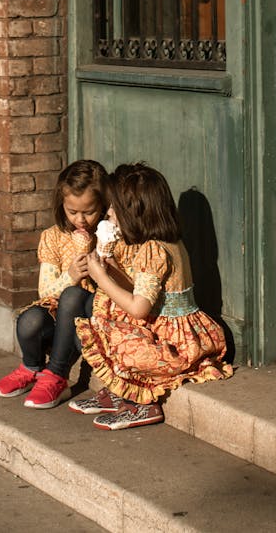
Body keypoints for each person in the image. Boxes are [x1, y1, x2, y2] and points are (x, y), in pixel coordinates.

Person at [70, 162, 233, 430]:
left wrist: (100, 278)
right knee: (111, 308)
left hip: (176, 341)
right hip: (179, 328)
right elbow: (144, 289)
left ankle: (141, 405)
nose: (108, 213)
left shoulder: (153, 250)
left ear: (134, 212)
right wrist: (110, 267)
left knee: (114, 328)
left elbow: (139, 308)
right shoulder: (168, 242)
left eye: (114, 209)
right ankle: (122, 392)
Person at [0, 159, 108, 409]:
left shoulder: (109, 236)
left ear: (103, 204)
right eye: (72, 211)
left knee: (74, 297)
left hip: (92, 312)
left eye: (89, 212)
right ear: (61, 205)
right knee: (29, 321)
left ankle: (57, 375)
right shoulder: (53, 237)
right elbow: (45, 292)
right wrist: (71, 275)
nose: (81, 219)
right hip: (58, 312)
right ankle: (32, 367)